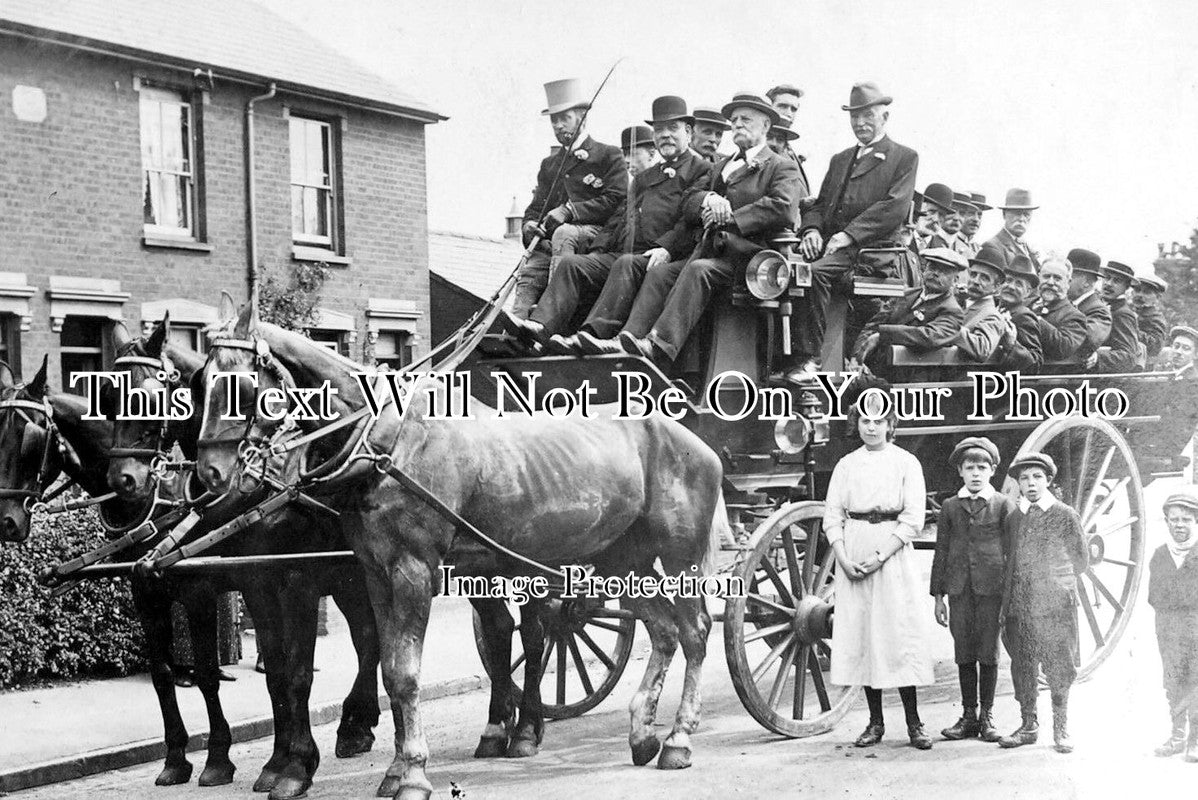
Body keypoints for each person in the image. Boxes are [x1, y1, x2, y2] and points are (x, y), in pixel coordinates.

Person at [576, 92, 804, 363]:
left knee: (697, 270)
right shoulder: (722, 166)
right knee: (660, 273)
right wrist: (708, 198)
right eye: (734, 120)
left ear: (765, 126)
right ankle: (626, 341)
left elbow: (782, 206)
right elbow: (689, 199)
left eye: (746, 119)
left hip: (751, 259)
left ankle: (659, 345)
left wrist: (729, 216)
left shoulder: (781, 166)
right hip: (711, 251)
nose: (738, 125)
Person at [503, 97, 711, 353]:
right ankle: (541, 328)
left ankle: (591, 335)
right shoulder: (646, 177)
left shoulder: (703, 170)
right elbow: (619, 218)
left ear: (688, 133)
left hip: (663, 254)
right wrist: (597, 251)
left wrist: (666, 248)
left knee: (626, 264)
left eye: (672, 129)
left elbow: (690, 220)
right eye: (659, 130)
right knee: (572, 265)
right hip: (625, 251)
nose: (665, 135)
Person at [824, 385, 934, 750]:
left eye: (878, 421)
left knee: (896, 634)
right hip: (853, 551)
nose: (871, 428)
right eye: (865, 420)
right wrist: (842, 556)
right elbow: (832, 516)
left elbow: (914, 518)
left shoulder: (906, 463)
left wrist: (881, 554)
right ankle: (875, 723)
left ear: (890, 424)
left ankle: (914, 723)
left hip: (890, 552)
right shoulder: (846, 465)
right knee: (863, 635)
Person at [797, 82, 919, 366]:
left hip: (871, 253)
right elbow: (819, 204)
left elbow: (894, 207)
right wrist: (812, 230)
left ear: (884, 117)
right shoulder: (840, 160)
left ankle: (809, 360)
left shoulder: (903, 157)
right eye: (855, 117)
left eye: (868, 116)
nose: (860, 123)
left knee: (812, 275)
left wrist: (848, 236)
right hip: (835, 250)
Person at [514, 78, 627, 318]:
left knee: (564, 233)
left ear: (582, 118)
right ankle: (515, 328)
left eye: (564, 118)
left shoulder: (608, 155)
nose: (558, 126)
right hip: (553, 242)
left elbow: (617, 199)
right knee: (530, 270)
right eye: (554, 120)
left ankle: (553, 317)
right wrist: (529, 226)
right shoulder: (550, 164)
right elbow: (536, 206)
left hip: (595, 236)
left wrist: (569, 211)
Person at [998, 453, 1088, 754]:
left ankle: (1061, 728)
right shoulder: (1014, 518)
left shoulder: (1064, 514)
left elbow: (1080, 560)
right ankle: (1028, 725)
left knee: (1058, 664)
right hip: (1021, 605)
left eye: (1037, 477)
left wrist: (1057, 584)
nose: (1031, 483)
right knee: (1023, 664)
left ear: (1048, 480)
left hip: (1054, 605)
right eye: (1024, 478)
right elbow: (1009, 558)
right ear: (1019, 484)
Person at [931, 437, 1013, 743]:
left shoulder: (1004, 505)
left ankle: (987, 717)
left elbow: (1011, 551)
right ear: (960, 472)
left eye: (982, 467)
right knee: (964, 651)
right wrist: (939, 597)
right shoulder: (951, 507)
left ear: (992, 471)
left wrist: (1009, 596)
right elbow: (941, 552)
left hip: (992, 590)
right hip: (960, 590)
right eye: (969, 468)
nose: (976, 473)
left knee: (988, 652)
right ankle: (968, 715)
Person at [851, 247, 965, 368]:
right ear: (924, 270)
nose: (936, 273)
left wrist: (882, 336)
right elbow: (873, 326)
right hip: (879, 365)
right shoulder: (906, 294)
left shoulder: (953, 311)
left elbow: (928, 336)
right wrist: (856, 358)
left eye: (944, 271)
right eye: (932, 268)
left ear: (955, 280)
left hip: (914, 377)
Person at [1149, 489, 1198, 761]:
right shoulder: (1160, 555)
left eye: (1186, 520)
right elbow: (1154, 596)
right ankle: (1177, 735)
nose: (1179, 525)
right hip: (1168, 630)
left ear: (1196, 521)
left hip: (1196, 629)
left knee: (1197, 681)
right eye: (1174, 519)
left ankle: (1196, 740)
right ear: (1167, 521)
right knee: (1174, 681)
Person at [950, 244, 1010, 363]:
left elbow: (982, 349)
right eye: (973, 275)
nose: (976, 281)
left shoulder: (992, 316)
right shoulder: (959, 302)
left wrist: (947, 328)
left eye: (985, 278)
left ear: (997, 287)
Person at [1031, 257, 1088, 364]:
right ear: (1039, 277)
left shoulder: (1074, 317)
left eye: (1057, 278)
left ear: (1068, 282)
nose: (1050, 282)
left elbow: (1063, 349)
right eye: (1046, 276)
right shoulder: (1025, 304)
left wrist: (1035, 320)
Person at [995, 254, 1044, 371]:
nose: (1011, 287)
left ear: (1027, 292)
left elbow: (1035, 362)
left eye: (1019, 284)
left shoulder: (1023, 316)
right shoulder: (994, 308)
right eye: (1008, 280)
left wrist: (1012, 345)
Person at [1092, 260, 1141, 373]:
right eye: (1107, 277)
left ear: (1126, 287)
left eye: (1117, 281)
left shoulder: (1122, 313)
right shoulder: (1097, 305)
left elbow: (1128, 356)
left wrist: (1097, 357)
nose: (1108, 283)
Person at [1065, 247, 1112, 363]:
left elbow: (1083, 342)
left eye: (1069, 276)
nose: (1063, 280)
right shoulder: (1068, 303)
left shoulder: (1099, 311)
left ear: (1086, 282)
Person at [984, 189, 1040, 269]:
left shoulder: (1028, 248)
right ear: (1004, 214)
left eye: (1026, 214)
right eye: (1017, 213)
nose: (1021, 219)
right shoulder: (992, 246)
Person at [1133, 272, 1170, 359]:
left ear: (1158, 297)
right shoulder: (1130, 311)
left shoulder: (1156, 318)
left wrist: (1130, 328)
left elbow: (1156, 347)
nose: (1140, 295)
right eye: (1137, 290)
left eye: (1147, 292)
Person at [913, 183, 956, 252]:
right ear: (920, 208)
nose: (935, 219)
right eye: (931, 211)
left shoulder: (942, 249)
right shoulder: (902, 237)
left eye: (941, 215)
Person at [958, 192, 990, 257]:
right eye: (971, 213)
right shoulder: (950, 243)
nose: (976, 219)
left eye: (979, 215)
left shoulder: (978, 248)